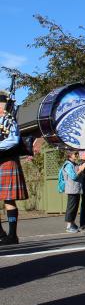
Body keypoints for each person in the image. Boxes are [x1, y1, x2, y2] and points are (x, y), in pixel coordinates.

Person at [0, 91, 28, 245]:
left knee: (8, 199)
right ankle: (1, 233)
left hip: (7, 161)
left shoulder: (9, 120)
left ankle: (12, 235)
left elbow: (14, 140)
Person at [61, 152, 85, 233]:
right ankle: (69, 226)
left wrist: (80, 169)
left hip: (76, 189)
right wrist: (81, 169)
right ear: (70, 155)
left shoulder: (74, 164)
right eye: (75, 154)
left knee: (75, 207)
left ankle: (72, 223)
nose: (77, 155)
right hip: (71, 189)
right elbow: (73, 176)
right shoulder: (68, 165)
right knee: (71, 207)